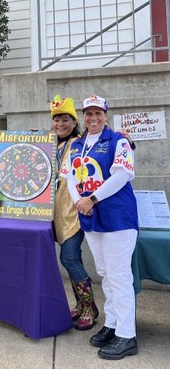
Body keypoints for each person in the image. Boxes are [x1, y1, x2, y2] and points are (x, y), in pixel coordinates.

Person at [60, 95, 139, 360]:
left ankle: (127, 336)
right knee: (105, 273)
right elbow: (71, 178)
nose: (93, 118)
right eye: (88, 114)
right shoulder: (78, 144)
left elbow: (122, 176)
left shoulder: (118, 140)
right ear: (83, 116)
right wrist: (80, 203)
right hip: (91, 217)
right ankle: (113, 324)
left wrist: (91, 199)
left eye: (98, 113)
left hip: (117, 217)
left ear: (106, 115)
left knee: (119, 276)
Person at [50, 95, 98, 331]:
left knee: (68, 257)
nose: (60, 124)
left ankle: (90, 307)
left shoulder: (81, 141)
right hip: (54, 211)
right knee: (71, 260)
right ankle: (80, 306)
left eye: (65, 119)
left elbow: (104, 138)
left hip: (74, 210)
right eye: (57, 119)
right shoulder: (51, 144)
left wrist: (127, 140)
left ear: (74, 121)